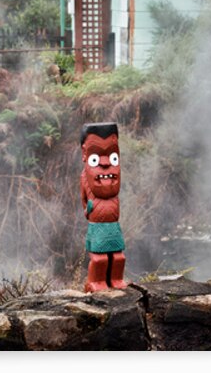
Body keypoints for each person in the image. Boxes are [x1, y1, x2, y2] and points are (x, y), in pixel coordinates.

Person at [79, 122, 127, 292]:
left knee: (118, 257)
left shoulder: (115, 174)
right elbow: (84, 199)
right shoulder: (85, 177)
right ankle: (96, 282)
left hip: (113, 225)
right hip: (97, 226)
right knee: (100, 259)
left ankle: (116, 279)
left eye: (113, 156)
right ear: (85, 154)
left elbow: (114, 188)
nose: (106, 163)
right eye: (96, 158)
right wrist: (89, 210)